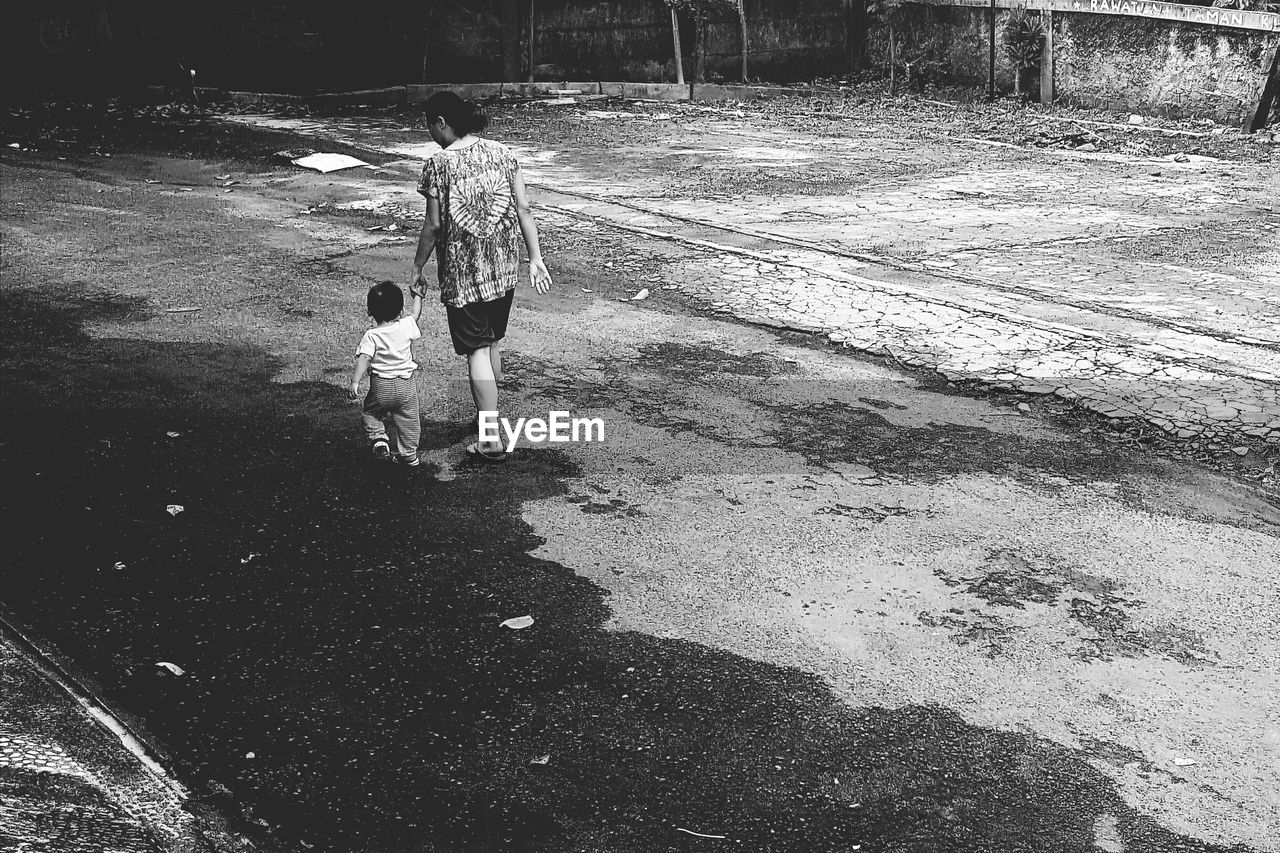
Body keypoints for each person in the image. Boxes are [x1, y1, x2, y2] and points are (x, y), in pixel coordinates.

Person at [411, 91, 552, 462]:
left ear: (441, 122)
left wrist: (417, 266)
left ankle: (490, 437)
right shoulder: (503, 154)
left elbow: (434, 225)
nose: (430, 133)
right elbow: (523, 207)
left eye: (429, 125)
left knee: (476, 349)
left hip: (465, 274)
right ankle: (486, 411)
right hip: (504, 269)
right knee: (491, 341)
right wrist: (535, 258)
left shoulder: (439, 165)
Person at [348, 281, 424, 467]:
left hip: (381, 386)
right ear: (400, 311)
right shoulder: (406, 325)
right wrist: (418, 296)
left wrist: (355, 381)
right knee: (409, 420)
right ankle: (409, 455)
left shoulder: (372, 335)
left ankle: (379, 439)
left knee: (371, 414)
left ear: (369, 311)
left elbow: (365, 358)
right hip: (406, 386)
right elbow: (415, 314)